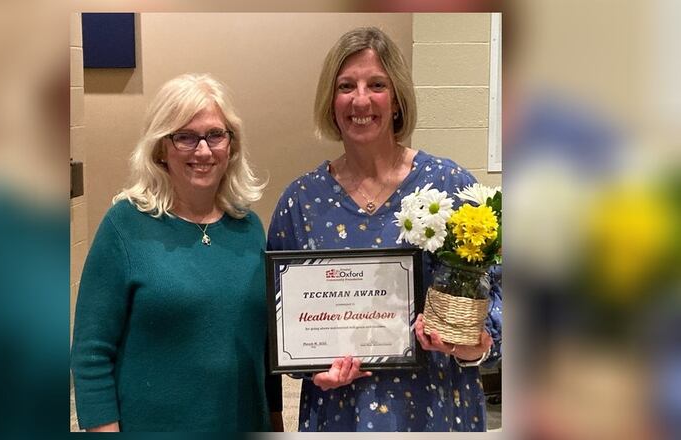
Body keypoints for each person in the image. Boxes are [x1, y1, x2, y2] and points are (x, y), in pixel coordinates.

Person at [267, 27, 502, 432]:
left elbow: (500, 294)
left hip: (437, 405)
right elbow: (280, 318)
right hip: (342, 410)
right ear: (331, 100)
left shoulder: (448, 186)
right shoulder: (300, 202)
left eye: (376, 84)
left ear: (396, 100)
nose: (361, 99)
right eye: (346, 86)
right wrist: (309, 370)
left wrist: (474, 344)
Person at [70, 73, 282, 432]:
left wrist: (275, 423)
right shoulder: (123, 226)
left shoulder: (248, 228)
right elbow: (91, 352)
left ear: (231, 145)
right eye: (185, 137)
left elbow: (265, 347)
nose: (203, 150)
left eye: (215, 135)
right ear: (161, 149)